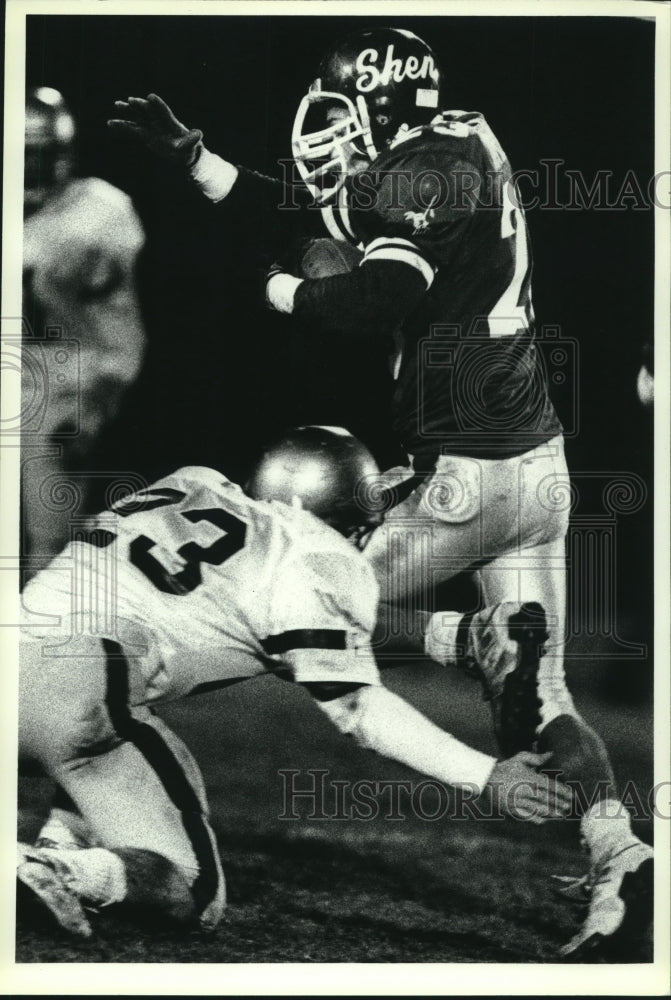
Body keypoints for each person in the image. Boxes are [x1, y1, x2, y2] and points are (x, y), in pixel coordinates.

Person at [107, 28, 653, 957]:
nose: (329, 132)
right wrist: (199, 161)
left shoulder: (417, 177)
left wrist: (279, 291)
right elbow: (316, 207)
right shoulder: (454, 141)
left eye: (340, 110)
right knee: (544, 690)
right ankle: (622, 856)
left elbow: (368, 305)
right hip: (536, 467)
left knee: (268, 608)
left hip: (463, 479)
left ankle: (82, 811)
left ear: (380, 107)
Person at [18, 427, 570, 939]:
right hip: (82, 692)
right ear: (354, 510)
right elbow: (358, 708)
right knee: (195, 890)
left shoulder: (192, 481)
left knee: (146, 744)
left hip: (21, 653)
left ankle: (55, 844)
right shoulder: (318, 559)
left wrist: (450, 636)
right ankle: (56, 867)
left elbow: (265, 636)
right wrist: (486, 775)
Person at [22, 87, 146, 578]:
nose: (34, 169)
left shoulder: (97, 211)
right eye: (24, 155)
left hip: (58, 392)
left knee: (51, 548)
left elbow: (116, 332)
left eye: (45, 154)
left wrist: (93, 404)